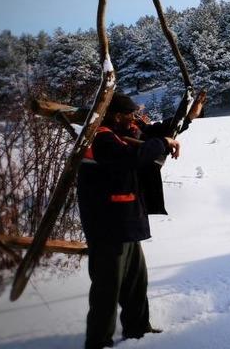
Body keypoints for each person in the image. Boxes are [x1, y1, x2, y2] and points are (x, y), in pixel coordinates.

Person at [77, 91, 205, 349]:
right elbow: (132, 157)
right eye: (129, 114)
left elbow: (155, 132)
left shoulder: (123, 130)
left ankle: (138, 329)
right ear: (115, 115)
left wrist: (187, 117)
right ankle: (99, 342)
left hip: (125, 221)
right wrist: (162, 143)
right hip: (106, 224)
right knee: (107, 287)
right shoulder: (99, 138)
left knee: (136, 281)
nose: (134, 118)